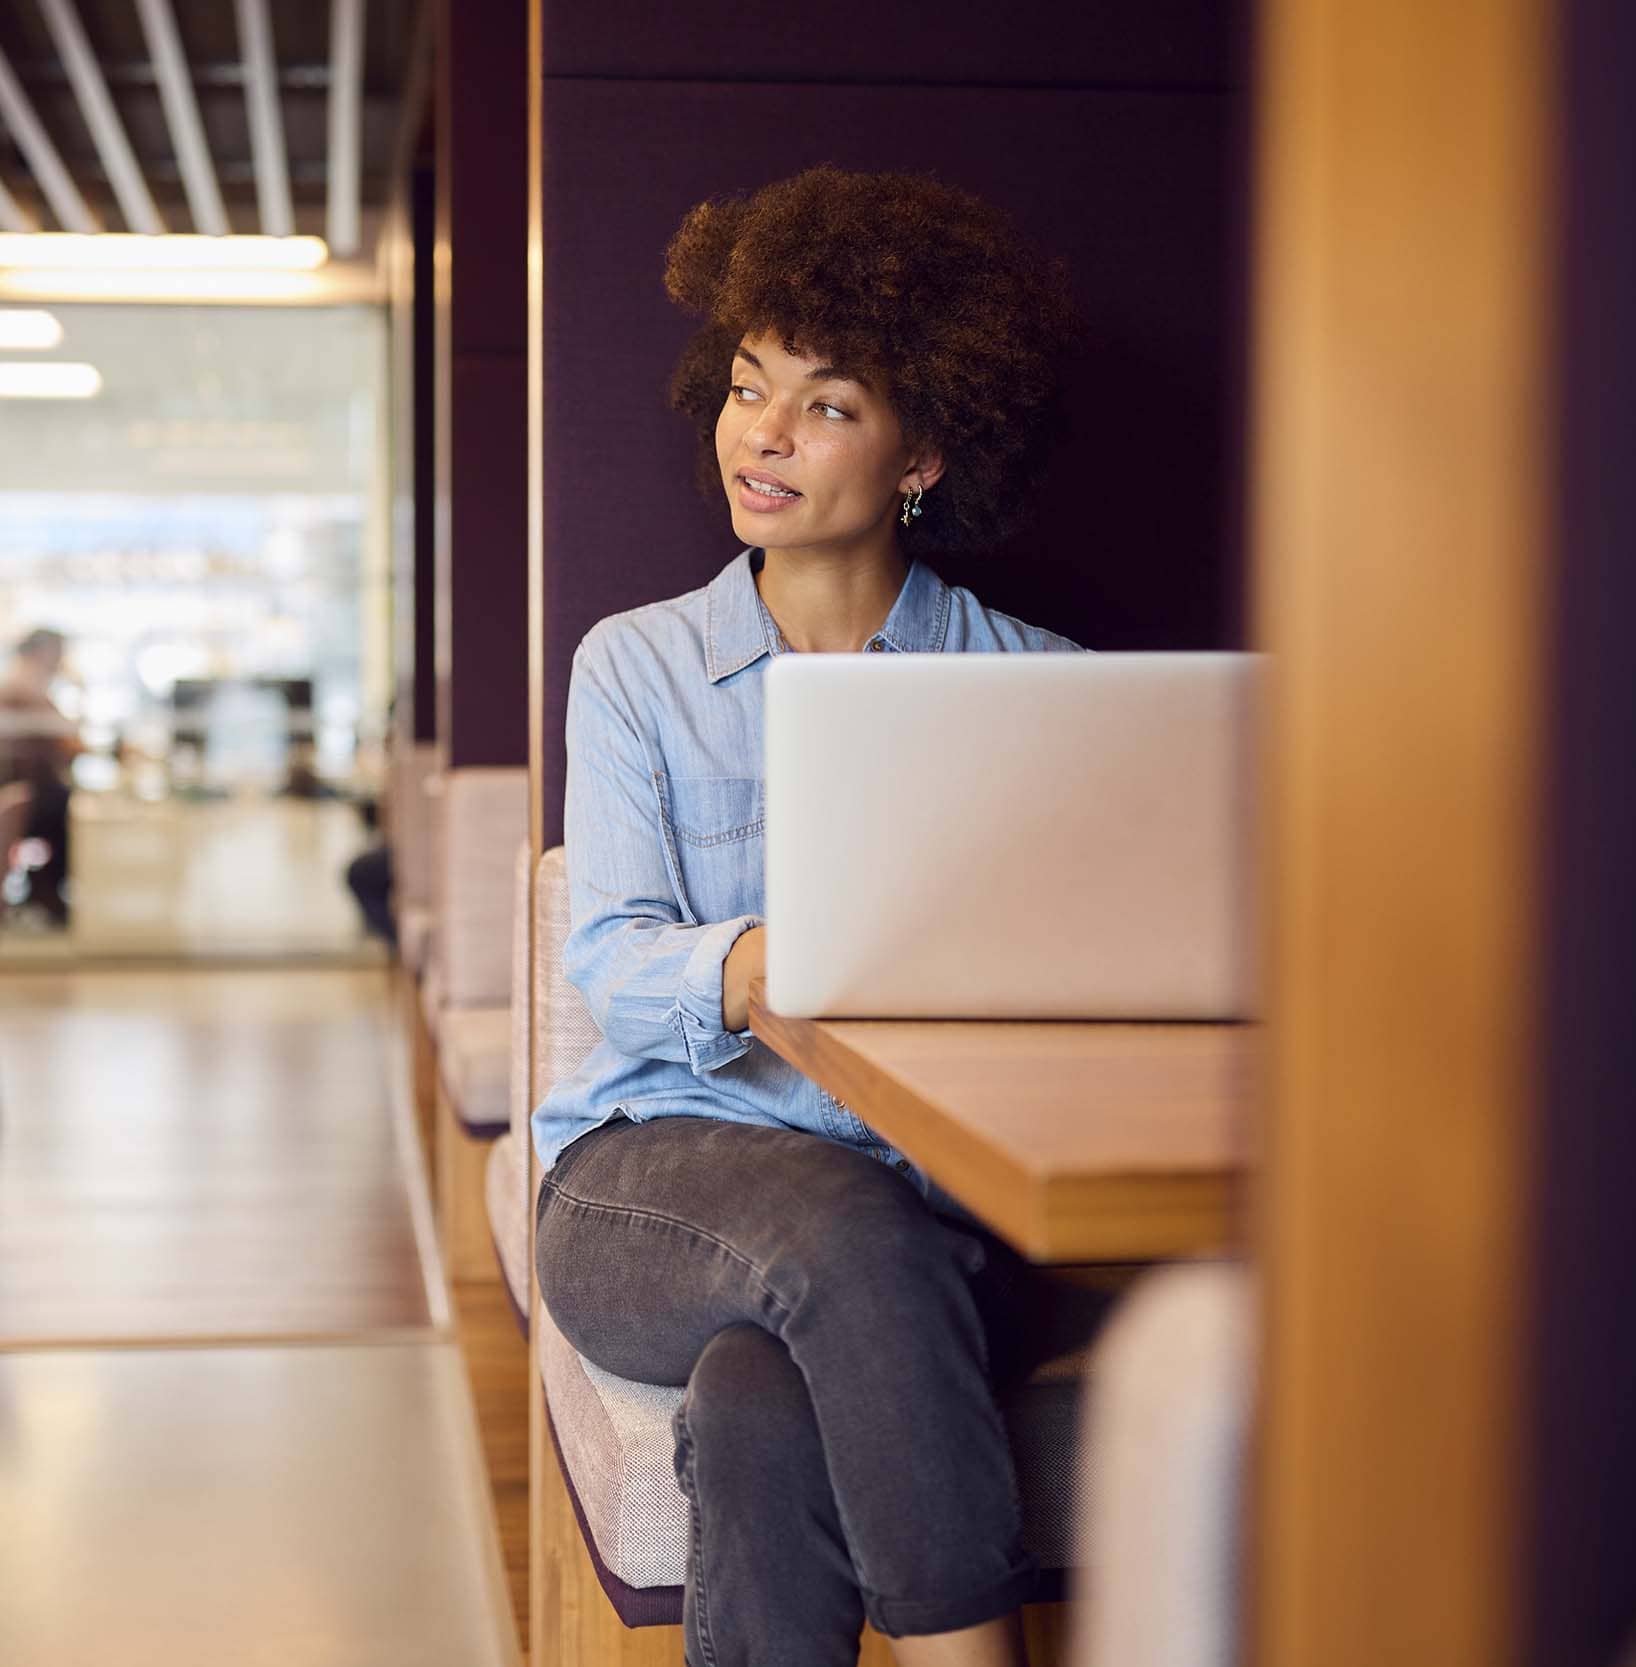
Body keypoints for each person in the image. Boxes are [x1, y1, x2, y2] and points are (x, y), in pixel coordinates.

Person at [530, 166, 1095, 1667]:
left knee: (761, 1396)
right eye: (744, 387)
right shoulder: (636, 667)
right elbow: (612, 964)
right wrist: (802, 953)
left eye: (827, 403)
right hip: (641, 1185)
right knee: (842, 1228)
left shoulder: (1039, 686)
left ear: (924, 449)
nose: (762, 435)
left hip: (941, 1213)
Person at [0, 627, 82, 923]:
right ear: (45, 652)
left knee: (67, 800)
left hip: (22, 788)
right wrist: (80, 688)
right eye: (60, 652)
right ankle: (48, 893)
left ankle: (45, 890)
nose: (63, 660)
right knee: (72, 809)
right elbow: (69, 741)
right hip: (26, 794)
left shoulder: (19, 683)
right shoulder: (23, 686)